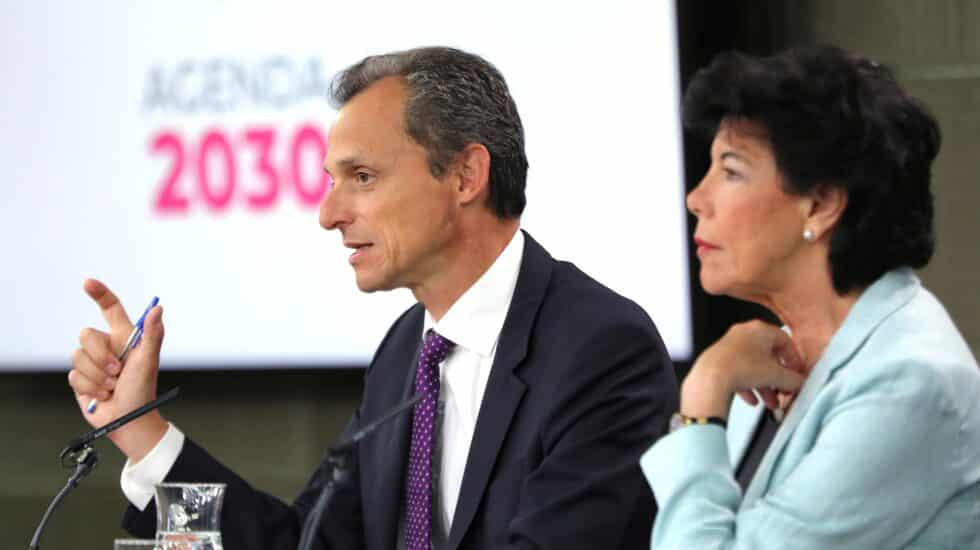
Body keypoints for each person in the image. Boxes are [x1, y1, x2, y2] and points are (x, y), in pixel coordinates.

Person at [68, 46, 678, 549]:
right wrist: (140, 430)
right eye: (331, 182)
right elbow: (305, 544)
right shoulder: (405, 352)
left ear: (466, 175)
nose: (329, 214)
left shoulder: (601, 349)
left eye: (362, 177)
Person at [641, 44, 980, 549]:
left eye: (730, 171)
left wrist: (702, 402)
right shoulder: (778, 353)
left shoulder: (910, 384)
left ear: (820, 206)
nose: (697, 198)